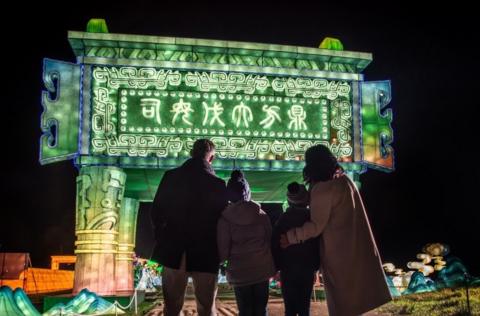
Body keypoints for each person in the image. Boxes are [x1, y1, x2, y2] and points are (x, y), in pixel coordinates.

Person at [280, 145, 391, 316]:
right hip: (356, 250)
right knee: (356, 303)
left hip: (338, 255)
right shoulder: (346, 182)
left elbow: (315, 226)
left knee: (343, 305)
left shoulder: (322, 189)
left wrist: (290, 236)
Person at [151, 139, 228, 316]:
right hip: (206, 252)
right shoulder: (217, 184)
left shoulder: (171, 176)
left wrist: (163, 237)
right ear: (212, 158)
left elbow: (156, 212)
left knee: (171, 306)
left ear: (191, 153)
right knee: (206, 307)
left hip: (173, 250)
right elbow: (223, 221)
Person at [217, 170, 275, 316]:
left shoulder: (225, 219)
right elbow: (269, 240)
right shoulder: (261, 215)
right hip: (262, 269)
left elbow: (223, 251)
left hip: (239, 272)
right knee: (261, 310)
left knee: (245, 310)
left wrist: (222, 264)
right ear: (247, 192)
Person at [272, 182, 320, 316]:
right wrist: (316, 265)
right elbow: (318, 244)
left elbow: (275, 244)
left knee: (290, 309)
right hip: (307, 268)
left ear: (289, 200)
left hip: (288, 270)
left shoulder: (283, 219)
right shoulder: (312, 219)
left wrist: (276, 266)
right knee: (305, 308)